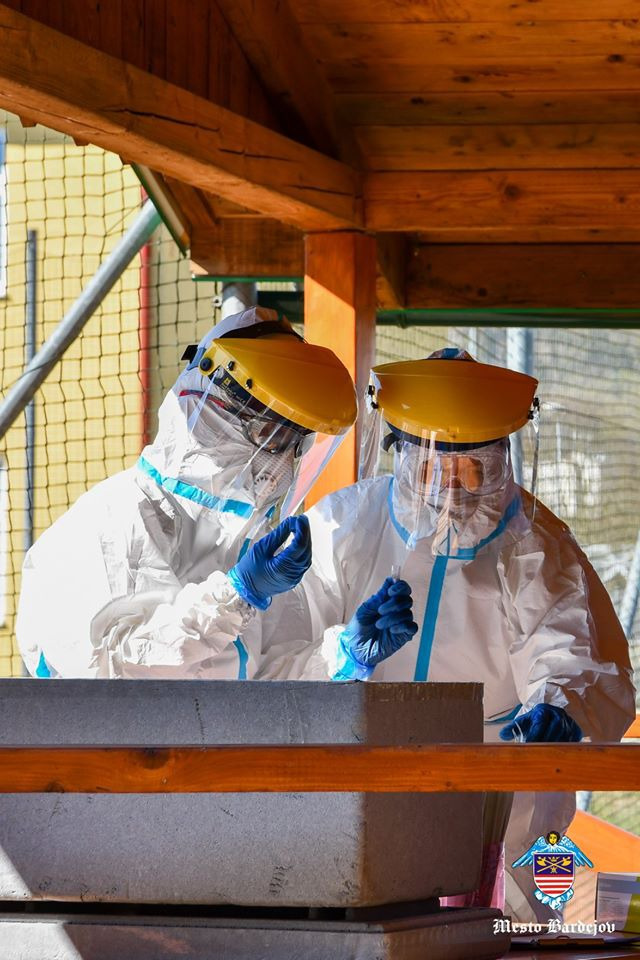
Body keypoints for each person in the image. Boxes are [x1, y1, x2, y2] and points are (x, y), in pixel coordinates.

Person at [258, 348, 636, 921]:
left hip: (510, 799)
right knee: (355, 925)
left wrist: (562, 709)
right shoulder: (346, 526)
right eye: (432, 469)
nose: (451, 491)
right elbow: (275, 660)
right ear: (401, 456)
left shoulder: (535, 544)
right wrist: (344, 657)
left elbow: (575, 656)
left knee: (521, 931)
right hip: (364, 777)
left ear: (502, 460)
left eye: (473, 469)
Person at [17, 307, 369, 680]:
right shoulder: (113, 518)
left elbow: (267, 688)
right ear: (211, 410)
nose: (281, 463)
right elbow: (113, 671)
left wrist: (342, 655)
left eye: (295, 444)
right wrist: (236, 596)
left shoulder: (249, 548)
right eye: (269, 434)